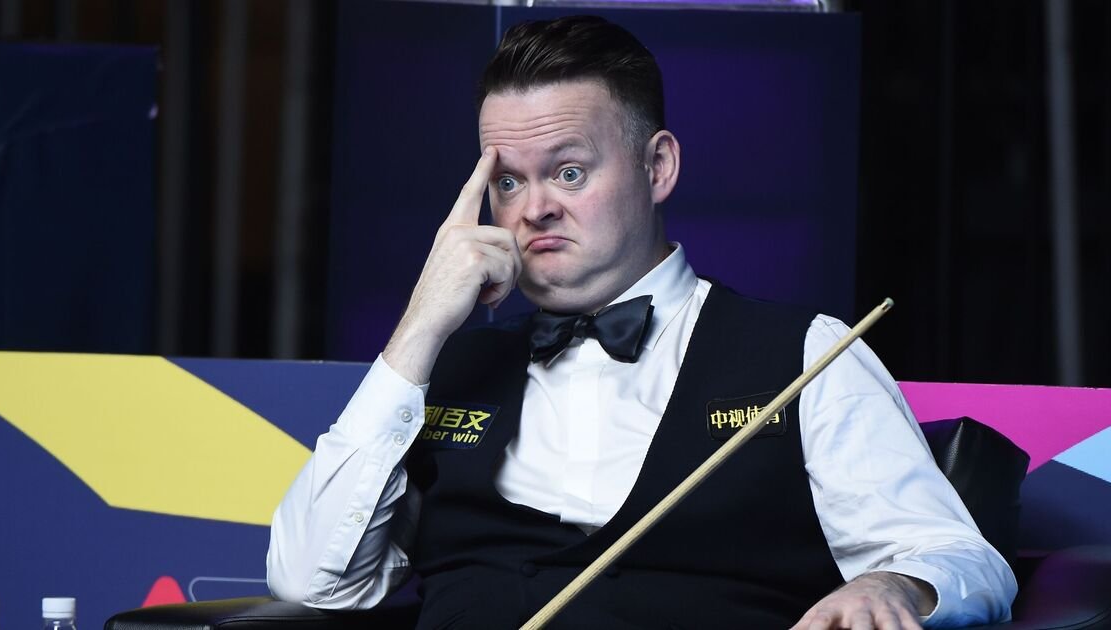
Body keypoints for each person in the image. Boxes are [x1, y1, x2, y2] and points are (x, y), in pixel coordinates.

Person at [267, 15, 1015, 629]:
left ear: (658, 168)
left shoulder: (806, 354)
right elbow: (311, 582)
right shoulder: (442, 373)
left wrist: (892, 584)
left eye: (569, 171)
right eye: (508, 181)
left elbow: (959, 557)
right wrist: (419, 328)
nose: (535, 207)